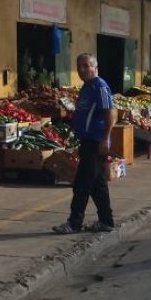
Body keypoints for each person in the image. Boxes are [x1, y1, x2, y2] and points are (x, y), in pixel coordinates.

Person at [53, 53, 115, 234]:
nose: (82, 69)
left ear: (95, 67)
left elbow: (110, 113)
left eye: (86, 66)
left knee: (81, 184)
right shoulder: (86, 88)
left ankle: (74, 223)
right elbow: (82, 113)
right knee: (98, 185)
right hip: (86, 141)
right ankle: (106, 221)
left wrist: (105, 138)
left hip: (96, 142)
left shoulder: (100, 87)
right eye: (79, 66)